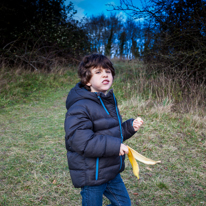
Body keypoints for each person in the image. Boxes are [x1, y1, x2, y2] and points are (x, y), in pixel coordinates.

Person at [64, 54, 143, 206]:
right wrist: (115, 146)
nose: (105, 74)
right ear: (87, 80)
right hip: (92, 174)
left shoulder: (106, 102)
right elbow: (82, 142)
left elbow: (110, 132)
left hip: (110, 170)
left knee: (123, 204)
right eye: (98, 72)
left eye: (108, 71)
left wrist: (128, 127)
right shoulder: (80, 107)